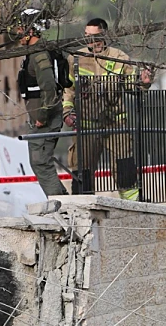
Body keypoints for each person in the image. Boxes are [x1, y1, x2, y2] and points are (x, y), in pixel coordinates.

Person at [62, 17, 151, 200]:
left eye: (93, 36)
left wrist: (143, 82)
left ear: (104, 36)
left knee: (124, 167)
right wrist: (67, 112)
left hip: (115, 124)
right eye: (86, 36)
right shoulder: (76, 59)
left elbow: (131, 85)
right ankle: (84, 208)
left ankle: (132, 206)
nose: (89, 40)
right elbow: (68, 90)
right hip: (86, 126)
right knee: (83, 172)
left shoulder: (119, 58)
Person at [11, 8, 68, 197]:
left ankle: (61, 205)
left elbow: (49, 89)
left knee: (40, 162)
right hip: (40, 119)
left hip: (45, 120)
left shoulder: (39, 55)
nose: (17, 32)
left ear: (31, 30)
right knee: (40, 162)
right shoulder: (34, 53)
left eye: (21, 28)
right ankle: (63, 202)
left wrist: (42, 117)